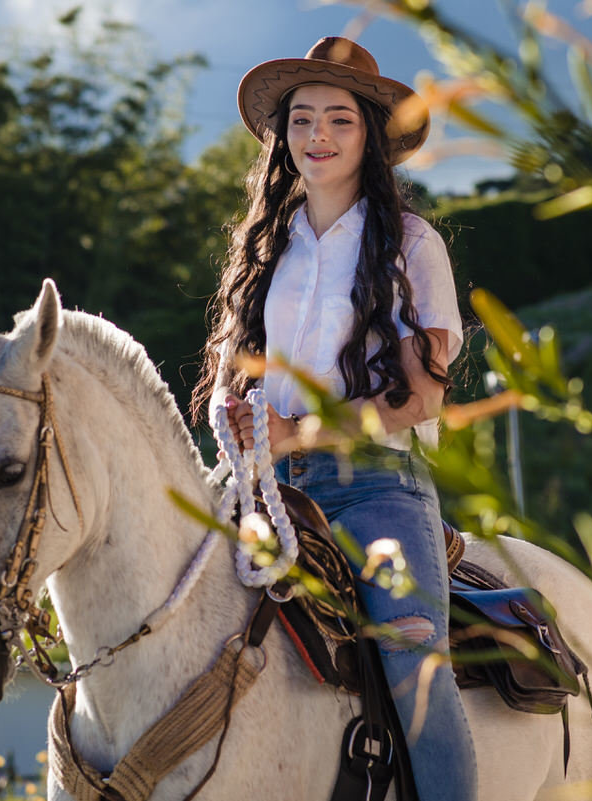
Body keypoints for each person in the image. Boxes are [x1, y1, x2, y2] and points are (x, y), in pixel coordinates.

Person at [191, 37, 475, 801]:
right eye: (302, 119)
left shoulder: (415, 245)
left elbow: (420, 397)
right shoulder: (262, 248)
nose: (317, 135)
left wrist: (299, 432)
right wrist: (237, 419)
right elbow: (228, 375)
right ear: (282, 136)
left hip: (376, 490)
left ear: (370, 138)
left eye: (339, 120)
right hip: (264, 488)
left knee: (417, 668)